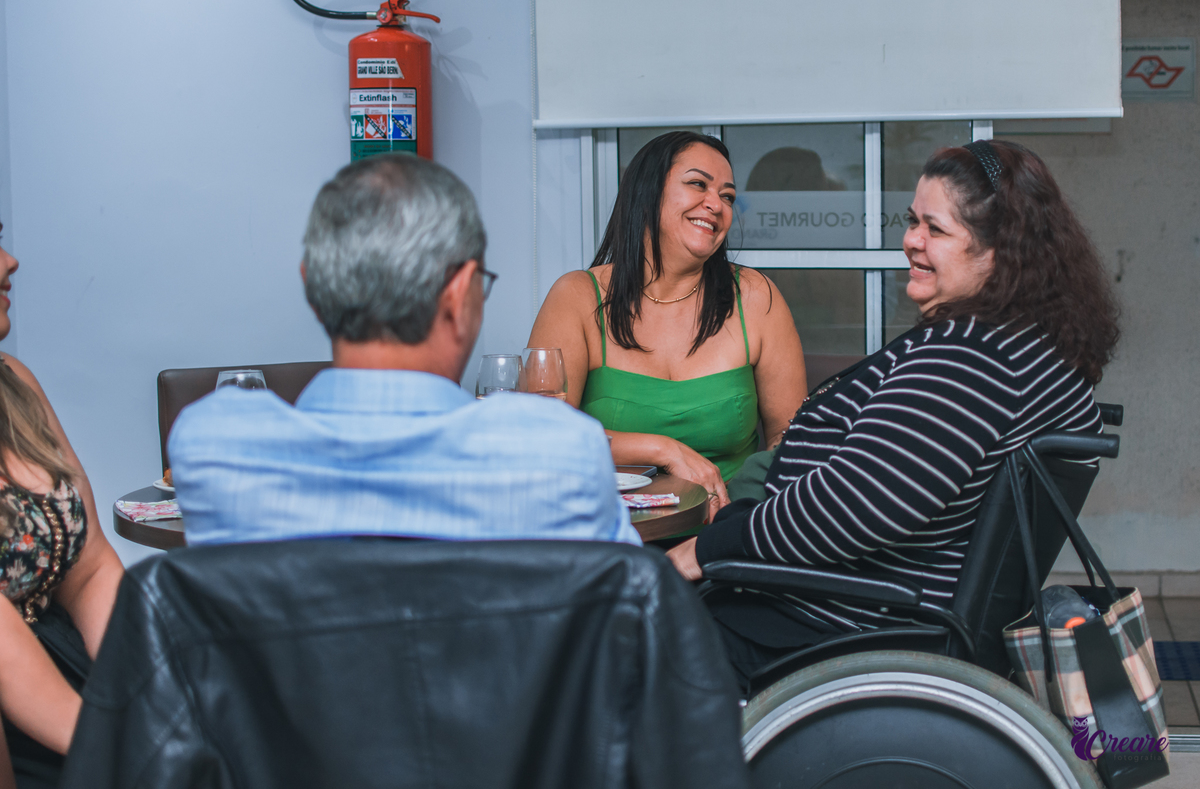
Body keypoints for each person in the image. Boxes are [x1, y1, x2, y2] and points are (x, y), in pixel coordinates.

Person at [667, 140, 1121, 687]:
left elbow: (851, 506)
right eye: (912, 221)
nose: (910, 240)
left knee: (619, 622)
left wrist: (708, 549)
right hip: (875, 608)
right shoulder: (1031, 348)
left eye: (936, 229)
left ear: (999, 249)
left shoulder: (967, 358)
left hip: (836, 623)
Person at [170, 153, 639, 548]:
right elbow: (629, 626)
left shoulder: (215, 448)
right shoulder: (559, 454)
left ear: (311, 289)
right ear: (457, 297)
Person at [528, 131, 806, 518]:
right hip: (607, 529)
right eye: (698, 184)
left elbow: (790, 438)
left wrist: (749, 516)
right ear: (648, 192)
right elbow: (539, 435)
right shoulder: (576, 297)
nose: (717, 204)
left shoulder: (757, 297)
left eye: (727, 196)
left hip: (723, 531)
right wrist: (663, 449)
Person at [0, 228, 125, 785]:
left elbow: (91, 564)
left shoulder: (15, 383)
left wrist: (140, 687)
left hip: (64, 666)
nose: (10, 261)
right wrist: (118, 743)